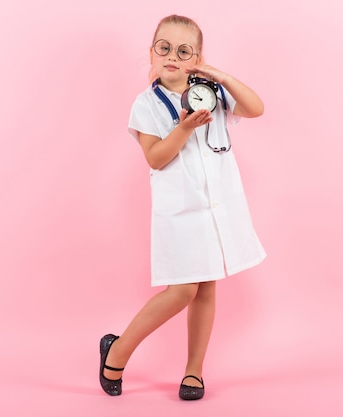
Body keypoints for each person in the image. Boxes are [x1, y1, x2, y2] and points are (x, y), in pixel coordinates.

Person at [99, 14, 266, 400]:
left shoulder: (211, 90)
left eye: (184, 50)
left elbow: (255, 108)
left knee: (206, 289)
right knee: (183, 289)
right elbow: (156, 158)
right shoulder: (146, 104)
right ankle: (118, 350)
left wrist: (219, 75)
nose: (172, 55)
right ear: (152, 52)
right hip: (181, 211)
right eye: (164, 48)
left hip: (217, 205)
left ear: (197, 56)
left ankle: (194, 372)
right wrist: (185, 127)